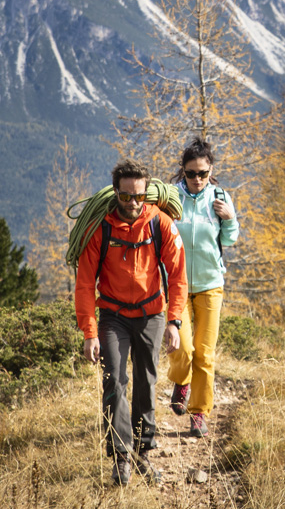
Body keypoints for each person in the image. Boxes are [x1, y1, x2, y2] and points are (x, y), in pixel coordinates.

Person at [75, 158, 188, 486]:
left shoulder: (160, 223)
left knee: (147, 382)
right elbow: (84, 283)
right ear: (116, 193)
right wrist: (89, 332)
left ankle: (143, 453)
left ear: (147, 192)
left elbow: (178, 274)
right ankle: (121, 457)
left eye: (138, 196)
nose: (133, 203)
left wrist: (174, 321)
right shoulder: (102, 227)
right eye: (126, 196)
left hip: (151, 314)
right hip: (112, 316)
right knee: (115, 381)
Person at [165, 137, 240, 438]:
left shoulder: (220, 197)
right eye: (191, 173)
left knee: (205, 355)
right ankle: (181, 382)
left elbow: (230, 239)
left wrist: (231, 218)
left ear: (211, 171)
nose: (197, 179)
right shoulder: (171, 199)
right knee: (182, 349)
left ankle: (199, 413)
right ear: (182, 171)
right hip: (177, 285)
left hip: (211, 285)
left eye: (203, 173)